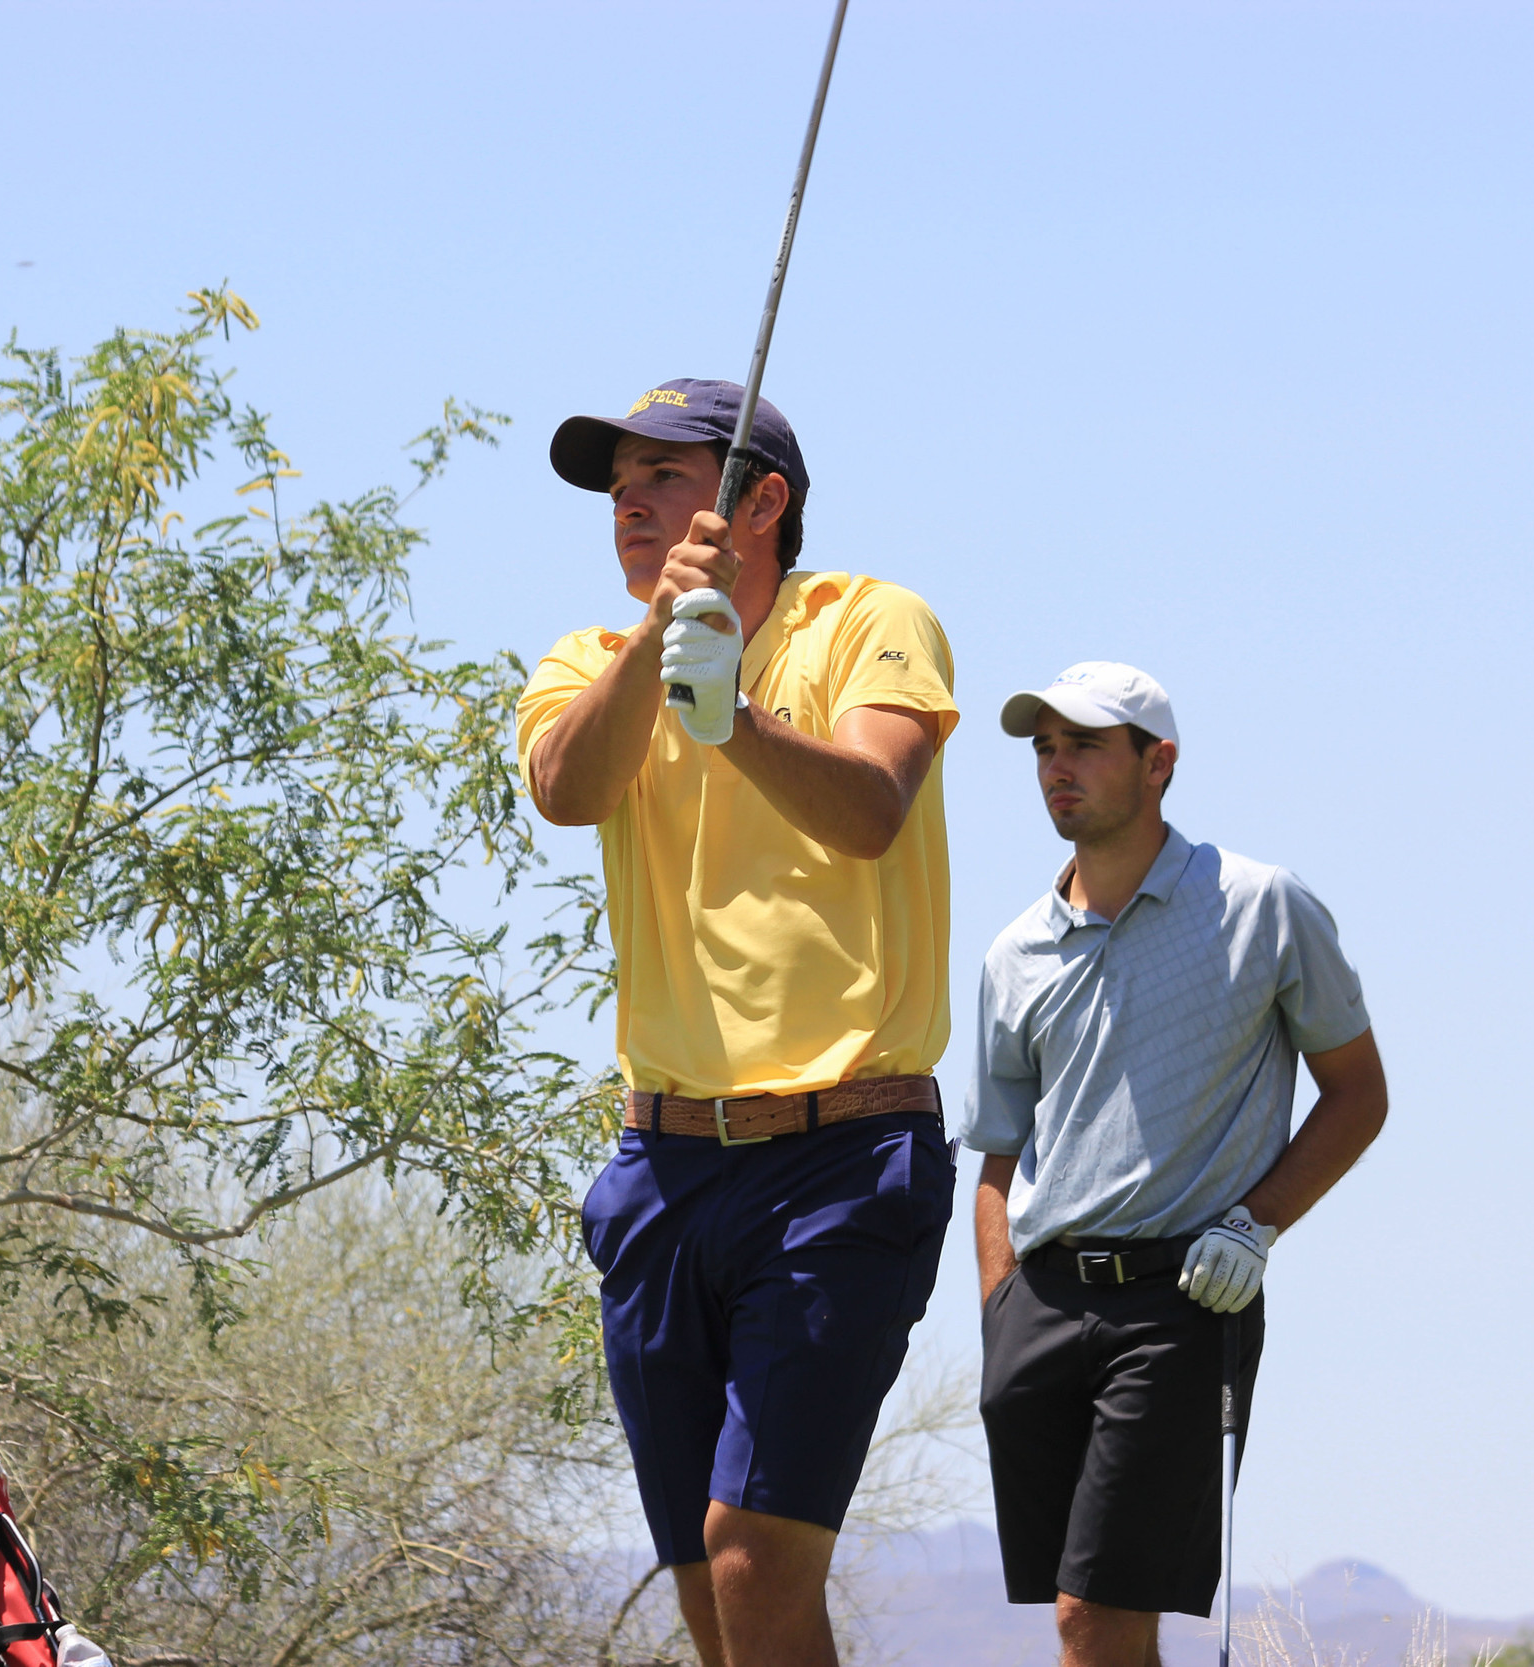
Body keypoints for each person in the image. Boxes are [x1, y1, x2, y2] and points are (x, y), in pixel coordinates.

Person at [516, 379, 960, 1667]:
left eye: (666, 478)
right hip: (662, 1168)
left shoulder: (874, 619)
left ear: (759, 501)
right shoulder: (591, 664)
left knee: (755, 1552)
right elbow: (565, 787)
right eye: (619, 490)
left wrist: (738, 721)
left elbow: (873, 805)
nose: (633, 505)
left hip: (841, 1155)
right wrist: (664, 645)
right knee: (714, 1593)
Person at [960, 661, 1389, 1667]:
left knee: (1095, 1615)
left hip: (1182, 1305)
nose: (1055, 767)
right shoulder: (1013, 949)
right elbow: (994, 1155)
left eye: (1084, 745)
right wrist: (998, 1305)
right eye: (1043, 748)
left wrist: (1256, 1221)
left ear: (1159, 763)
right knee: (1090, 1611)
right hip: (1040, 1308)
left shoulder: (1263, 905)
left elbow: (1358, 1094)